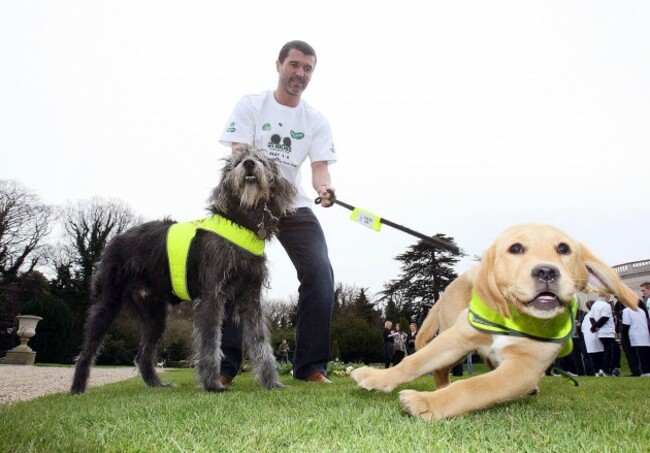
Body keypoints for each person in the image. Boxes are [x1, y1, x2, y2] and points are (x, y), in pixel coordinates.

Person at [218, 40, 337, 384]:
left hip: (292, 204)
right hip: (249, 203)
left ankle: (310, 367)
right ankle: (225, 366)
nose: (300, 73)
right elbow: (240, 156)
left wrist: (324, 189)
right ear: (279, 65)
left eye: (307, 68)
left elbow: (319, 169)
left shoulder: (315, 120)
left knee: (319, 272)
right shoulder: (251, 105)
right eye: (294, 65)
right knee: (231, 276)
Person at [621, 300, 650, 376]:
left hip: (634, 336)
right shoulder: (641, 311)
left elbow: (626, 325)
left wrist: (623, 335)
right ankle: (646, 370)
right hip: (644, 336)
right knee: (645, 354)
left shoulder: (627, 311)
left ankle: (640, 371)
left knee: (637, 355)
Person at [590, 294, 616, 376]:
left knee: (604, 351)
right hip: (608, 332)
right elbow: (605, 318)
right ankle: (606, 370)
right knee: (608, 352)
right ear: (606, 295)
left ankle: (601, 369)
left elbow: (591, 318)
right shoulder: (606, 305)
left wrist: (595, 327)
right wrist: (595, 327)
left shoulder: (595, 305)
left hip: (600, 332)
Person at [580, 300, 602, 376]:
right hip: (597, 339)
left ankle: (596, 372)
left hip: (589, 341)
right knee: (599, 356)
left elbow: (582, 329)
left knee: (593, 357)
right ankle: (601, 370)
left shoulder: (586, 316)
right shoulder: (596, 315)